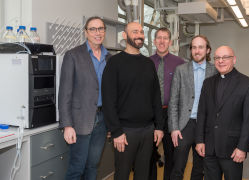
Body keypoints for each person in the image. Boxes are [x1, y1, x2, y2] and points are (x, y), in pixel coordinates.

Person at [101, 22, 164, 180]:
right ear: (125, 35)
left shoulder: (148, 63)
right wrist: (116, 132)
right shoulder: (114, 63)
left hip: (148, 130)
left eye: (142, 32)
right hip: (125, 132)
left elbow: (156, 97)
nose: (140, 35)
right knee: (122, 174)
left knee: (143, 174)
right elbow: (108, 100)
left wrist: (159, 127)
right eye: (135, 32)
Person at [195, 45, 249, 180]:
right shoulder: (208, 83)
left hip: (232, 150)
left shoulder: (248, 84)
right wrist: (200, 140)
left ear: (234, 59)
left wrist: (242, 148)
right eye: (217, 58)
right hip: (209, 148)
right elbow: (202, 113)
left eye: (225, 57)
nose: (221, 61)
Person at [58, 16, 111, 180]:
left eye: (101, 29)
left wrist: (112, 123)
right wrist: (67, 125)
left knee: (92, 166)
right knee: (77, 168)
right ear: (86, 32)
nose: (98, 33)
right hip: (80, 121)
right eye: (93, 29)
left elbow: (112, 93)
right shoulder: (73, 55)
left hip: (102, 120)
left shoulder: (109, 58)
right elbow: (64, 92)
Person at [168, 35, 217, 180]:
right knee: (178, 167)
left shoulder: (214, 71)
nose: (197, 51)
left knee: (199, 168)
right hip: (185, 125)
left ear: (208, 50)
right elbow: (173, 101)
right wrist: (174, 128)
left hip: (205, 126)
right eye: (194, 47)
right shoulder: (181, 70)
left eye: (201, 47)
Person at [149, 27, 185, 180]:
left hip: (171, 113)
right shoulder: (146, 62)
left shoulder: (180, 63)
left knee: (171, 154)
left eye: (165, 38)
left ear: (170, 42)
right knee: (150, 153)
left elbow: (184, 90)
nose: (162, 41)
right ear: (154, 41)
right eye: (159, 38)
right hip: (150, 114)